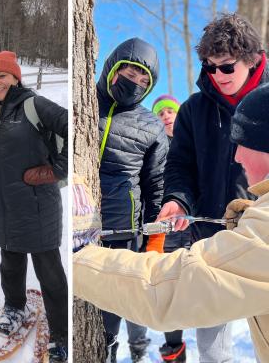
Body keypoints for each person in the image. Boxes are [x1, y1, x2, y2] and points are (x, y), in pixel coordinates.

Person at [73, 81, 269, 363]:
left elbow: (170, 289)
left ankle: (168, 353)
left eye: (243, 142)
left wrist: (79, 258)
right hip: (163, 231)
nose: (236, 156)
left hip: (190, 239)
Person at [157, 13, 268, 362]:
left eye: (227, 67)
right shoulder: (192, 110)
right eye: (210, 67)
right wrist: (178, 199)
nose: (218, 76)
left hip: (262, 239)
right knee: (212, 347)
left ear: (251, 60)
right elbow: (179, 165)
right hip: (210, 240)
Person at [0, 51, 68, 362]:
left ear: (15, 77)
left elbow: (76, 128)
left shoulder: (33, 105)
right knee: (9, 263)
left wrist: (56, 170)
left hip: (38, 207)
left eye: (1, 76)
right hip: (2, 207)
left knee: (48, 272)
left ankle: (62, 334)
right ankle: (14, 307)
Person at [97, 38, 169, 362]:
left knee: (109, 314)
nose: (136, 84)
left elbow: (156, 186)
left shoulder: (152, 125)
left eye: (145, 81)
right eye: (132, 72)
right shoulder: (84, 99)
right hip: (79, 226)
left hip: (122, 233)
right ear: (114, 67)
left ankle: (111, 350)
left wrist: (155, 240)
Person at [152, 94, 189, 362]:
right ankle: (173, 351)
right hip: (165, 227)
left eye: (170, 111)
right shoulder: (154, 145)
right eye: (160, 113)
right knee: (170, 288)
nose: (166, 116)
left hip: (195, 225)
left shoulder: (193, 141)